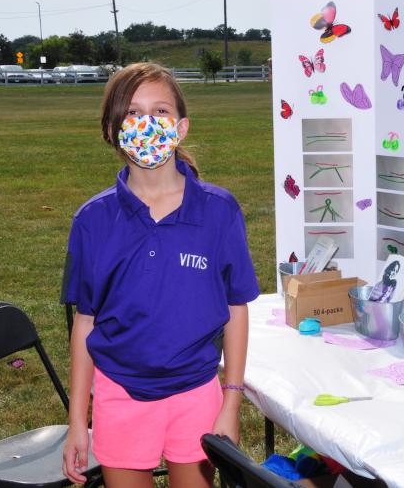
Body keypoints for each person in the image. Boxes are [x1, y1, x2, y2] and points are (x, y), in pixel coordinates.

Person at [61, 62, 259, 487]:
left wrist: (231, 402)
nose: (147, 124)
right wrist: (78, 420)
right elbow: (84, 323)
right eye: (132, 113)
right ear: (113, 129)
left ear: (182, 127)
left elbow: (235, 309)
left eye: (160, 112)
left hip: (196, 394)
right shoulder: (92, 220)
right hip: (118, 395)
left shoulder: (219, 211)